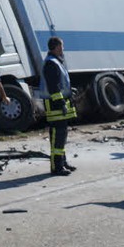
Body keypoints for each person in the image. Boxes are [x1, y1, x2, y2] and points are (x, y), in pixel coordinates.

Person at [42, 36, 77, 175]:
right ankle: (57, 167)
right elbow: (53, 87)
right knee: (58, 136)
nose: (63, 49)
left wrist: (69, 91)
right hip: (54, 105)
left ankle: (62, 162)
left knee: (61, 136)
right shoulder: (51, 63)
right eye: (62, 46)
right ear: (56, 47)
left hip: (57, 103)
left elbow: (59, 84)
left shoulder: (56, 61)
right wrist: (61, 102)